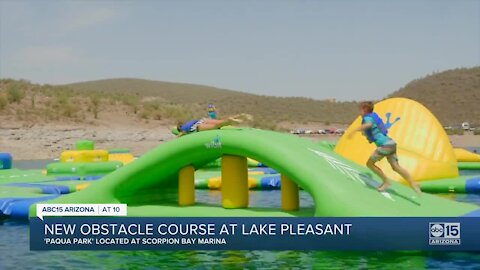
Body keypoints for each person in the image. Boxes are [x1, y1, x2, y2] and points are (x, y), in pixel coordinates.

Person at [347, 101, 421, 195]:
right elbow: (372, 129)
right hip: (391, 143)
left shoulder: (368, 118)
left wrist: (354, 130)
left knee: (370, 164)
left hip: (385, 146)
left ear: (365, 109)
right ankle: (413, 183)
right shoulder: (374, 116)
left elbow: (368, 125)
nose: (359, 112)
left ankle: (386, 181)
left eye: (360, 110)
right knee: (396, 167)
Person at [172, 113, 252, 137]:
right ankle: (240, 115)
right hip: (202, 120)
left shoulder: (183, 129)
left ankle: (230, 121)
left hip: (198, 127)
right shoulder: (188, 123)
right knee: (221, 121)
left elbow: (179, 135)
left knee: (217, 126)